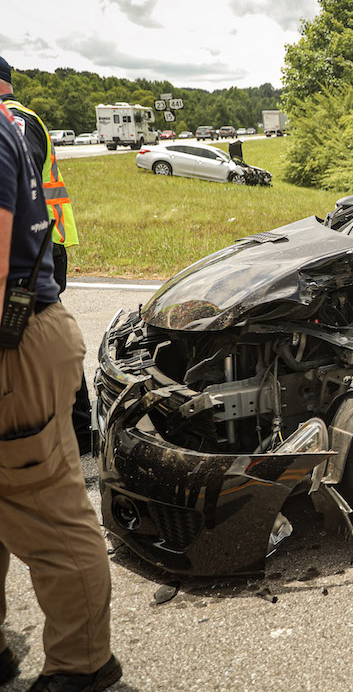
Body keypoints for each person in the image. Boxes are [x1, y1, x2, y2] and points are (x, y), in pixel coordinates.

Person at [0, 103, 120, 691]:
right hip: (27, 327)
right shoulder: (15, 124)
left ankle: (82, 664)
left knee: (47, 507)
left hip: (14, 340)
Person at [0, 56, 91, 454]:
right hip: (43, 242)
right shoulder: (21, 117)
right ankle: (76, 429)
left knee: (35, 333)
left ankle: (75, 429)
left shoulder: (14, 120)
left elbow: (20, 180)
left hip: (35, 246)